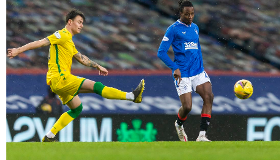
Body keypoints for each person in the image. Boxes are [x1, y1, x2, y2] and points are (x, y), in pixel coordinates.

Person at [7, 9, 145, 142]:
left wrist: (97, 65)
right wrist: (18, 50)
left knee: (77, 108)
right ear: (69, 22)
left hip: (57, 83)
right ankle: (131, 96)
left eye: (82, 23)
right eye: (79, 22)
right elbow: (41, 42)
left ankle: (49, 135)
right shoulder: (61, 34)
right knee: (96, 86)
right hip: (61, 79)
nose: (81, 25)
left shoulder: (69, 41)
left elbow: (80, 57)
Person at [157, 0, 214, 142]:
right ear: (180, 13)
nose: (190, 16)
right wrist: (174, 67)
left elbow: (196, 48)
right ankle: (178, 124)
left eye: (192, 14)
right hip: (182, 72)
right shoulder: (173, 29)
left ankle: (202, 135)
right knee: (187, 107)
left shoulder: (195, 27)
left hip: (198, 71)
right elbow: (161, 52)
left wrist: (200, 66)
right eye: (187, 14)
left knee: (209, 97)